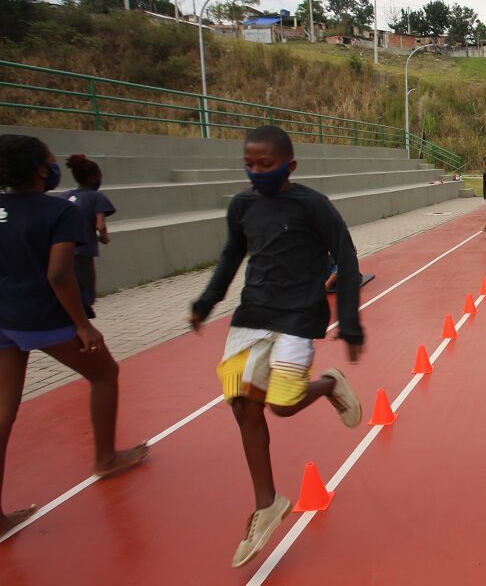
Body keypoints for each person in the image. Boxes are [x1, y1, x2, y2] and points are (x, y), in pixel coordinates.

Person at [187, 126, 364, 568]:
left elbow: (347, 256)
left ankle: (327, 384)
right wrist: (207, 301)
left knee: (282, 406)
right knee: (242, 403)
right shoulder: (243, 206)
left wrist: (351, 322)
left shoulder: (312, 206)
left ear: (290, 165)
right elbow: (231, 256)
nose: (256, 172)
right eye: (249, 164)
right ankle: (267, 503)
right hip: (252, 315)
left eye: (266, 165)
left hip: (299, 318)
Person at [0, 135, 148, 537]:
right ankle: (105, 458)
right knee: (104, 373)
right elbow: (59, 275)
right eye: (49, 160)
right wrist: (82, 324)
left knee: (3, 411)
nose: (54, 166)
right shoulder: (57, 211)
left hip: (4, 318)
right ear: (38, 169)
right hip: (44, 317)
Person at [56, 155, 116, 319]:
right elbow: (100, 224)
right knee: (85, 294)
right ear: (93, 178)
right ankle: (81, 324)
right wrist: (104, 237)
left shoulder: (63, 196)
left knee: (66, 288)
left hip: (60, 251)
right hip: (83, 251)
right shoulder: (96, 197)